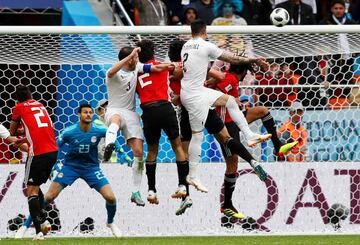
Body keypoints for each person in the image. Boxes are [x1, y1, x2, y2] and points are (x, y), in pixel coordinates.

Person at [180, 19, 271, 194]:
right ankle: (193, 175)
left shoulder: (186, 46)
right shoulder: (206, 46)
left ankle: (249, 135)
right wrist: (255, 60)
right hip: (194, 97)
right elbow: (232, 58)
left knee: (229, 100)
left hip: (194, 91)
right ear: (205, 31)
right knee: (197, 136)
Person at [103, 46, 173, 207]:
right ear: (126, 60)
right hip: (114, 109)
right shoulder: (113, 73)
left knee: (139, 152)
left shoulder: (137, 67)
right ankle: (109, 145)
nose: (136, 61)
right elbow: (111, 71)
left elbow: (155, 67)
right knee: (116, 120)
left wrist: (172, 65)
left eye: (136, 58)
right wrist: (130, 57)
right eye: (133, 58)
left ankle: (135, 192)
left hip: (131, 113)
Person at [45, 104, 121, 237]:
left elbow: (111, 135)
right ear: (79, 115)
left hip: (91, 168)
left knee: (111, 197)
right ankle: (26, 225)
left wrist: (120, 151)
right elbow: (55, 147)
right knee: (49, 196)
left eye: (91, 113)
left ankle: (110, 222)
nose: (88, 115)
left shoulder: (98, 129)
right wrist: (53, 164)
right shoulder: (69, 131)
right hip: (70, 167)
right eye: (85, 112)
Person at [136, 39, 192, 215]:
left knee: (152, 150)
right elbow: (180, 71)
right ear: (153, 52)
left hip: (148, 111)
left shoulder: (135, 72)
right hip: (165, 108)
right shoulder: (163, 66)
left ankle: (151, 190)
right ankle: (182, 186)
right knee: (177, 146)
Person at [9, 85, 58, 240]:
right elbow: (44, 127)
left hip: (37, 153)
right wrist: (26, 134)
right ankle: (43, 217)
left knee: (31, 192)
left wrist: (19, 134)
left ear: (17, 98)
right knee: (35, 187)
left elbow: (12, 131)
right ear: (30, 95)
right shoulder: (40, 105)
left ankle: (39, 231)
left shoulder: (18, 108)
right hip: (53, 152)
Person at [319, 0, 357, 105]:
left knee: (348, 84)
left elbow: (356, 41)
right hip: (331, 60)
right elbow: (319, 42)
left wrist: (354, 54)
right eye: (336, 8)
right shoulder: (324, 23)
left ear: (345, 9)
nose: (338, 11)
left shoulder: (351, 23)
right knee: (328, 85)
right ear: (331, 9)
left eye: (340, 8)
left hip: (347, 60)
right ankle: (326, 104)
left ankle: (347, 105)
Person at [94, 99, 132, 165]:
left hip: (109, 159)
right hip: (98, 160)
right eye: (104, 109)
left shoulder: (109, 124)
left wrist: (122, 153)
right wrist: (121, 152)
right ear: (99, 111)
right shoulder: (97, 123)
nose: (107, 111)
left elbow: (112, 140)